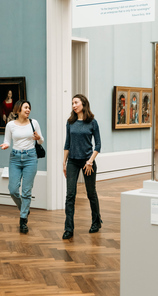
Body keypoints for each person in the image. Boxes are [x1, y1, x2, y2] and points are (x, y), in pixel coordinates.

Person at [0, 100, 44, 233]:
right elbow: (7, 140)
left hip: (30, 158)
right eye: (25, 107)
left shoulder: (33, 123)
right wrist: (6, 145)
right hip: (15, 158)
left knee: (26, 191)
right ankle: (25, 208)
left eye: (29, 108)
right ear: (18, 110)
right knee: (13, 189)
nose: (28, 110)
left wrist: (38, 138)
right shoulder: (10, 125)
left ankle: (23, 219)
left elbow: (41, 140)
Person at [62, 94, 102, 240]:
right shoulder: (70, 122)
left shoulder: (92, 122)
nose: (73, 105)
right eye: (72, 103)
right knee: (70, 195)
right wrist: (64, 162)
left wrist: (90, 161)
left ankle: (96, 222)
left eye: (76, 102)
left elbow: (98, 145)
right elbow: (67, 143)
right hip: (72, 161)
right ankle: (68, 229)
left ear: (83, 104)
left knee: (91, 193)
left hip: (87, 162)